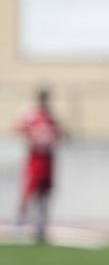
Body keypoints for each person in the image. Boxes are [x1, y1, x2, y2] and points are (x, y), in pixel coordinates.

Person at [13, 88, 62, 243]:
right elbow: (17, 128)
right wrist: (31, 135)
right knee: (28, 192)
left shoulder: (51, 119)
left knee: (44, 194)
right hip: (35, 159)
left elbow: (60, 134)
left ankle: (40, 228)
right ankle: (19, 225)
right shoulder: (32, 117)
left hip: (48, 159)